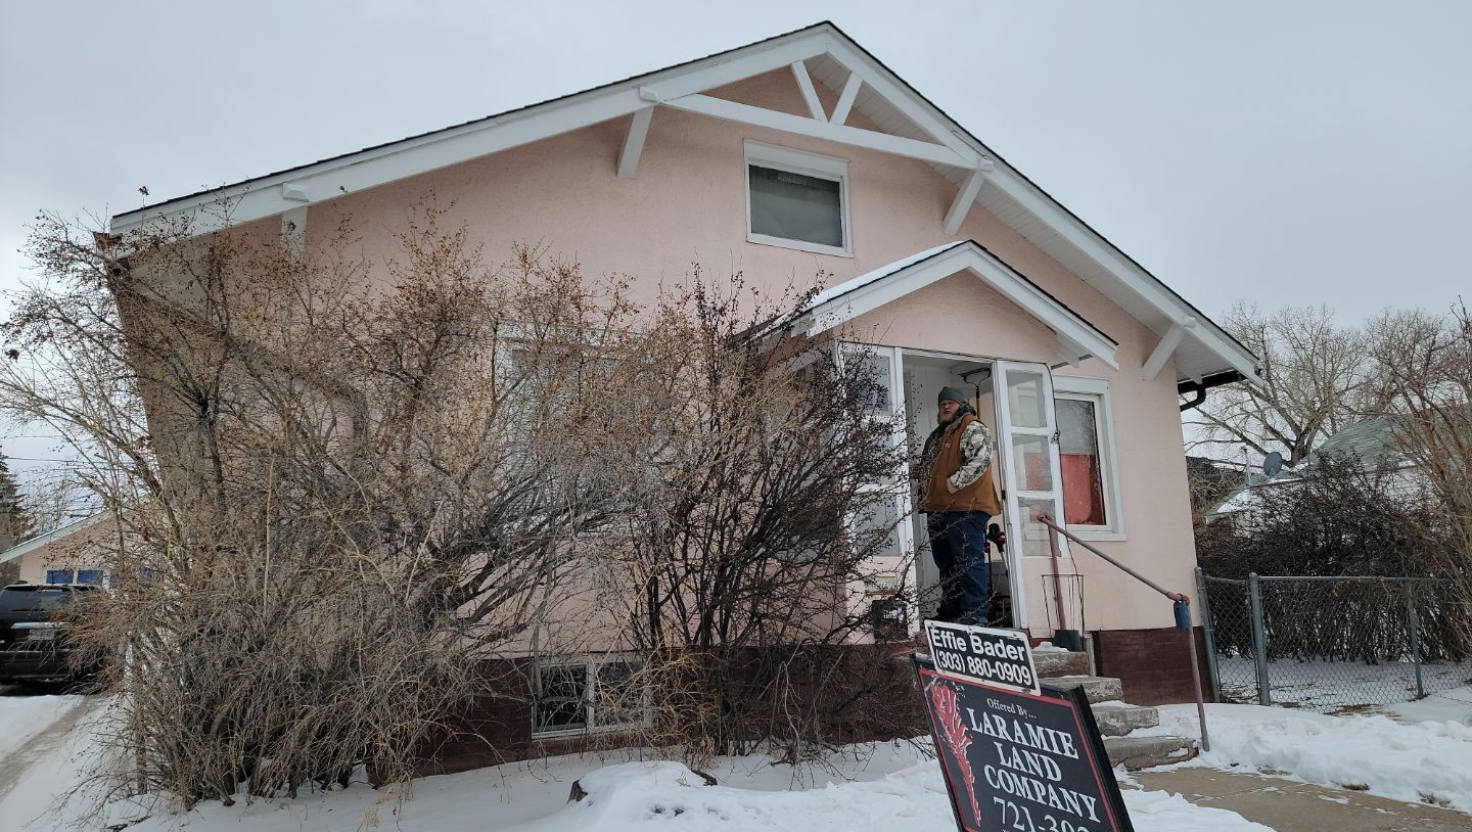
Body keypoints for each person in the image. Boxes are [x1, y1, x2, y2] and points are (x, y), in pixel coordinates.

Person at [918, 386, 1002, 624]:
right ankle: (951, 612)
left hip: (966, 508)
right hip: (939, 509)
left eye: (951, 403)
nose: (946, 406)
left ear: (961, 405)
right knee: (946, 564)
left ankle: (974, 615)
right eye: (942, 403)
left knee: (968, 562)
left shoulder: (971, 427)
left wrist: (953, 483)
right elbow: (928, 469)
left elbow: (982, 457)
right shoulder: (938, 435)